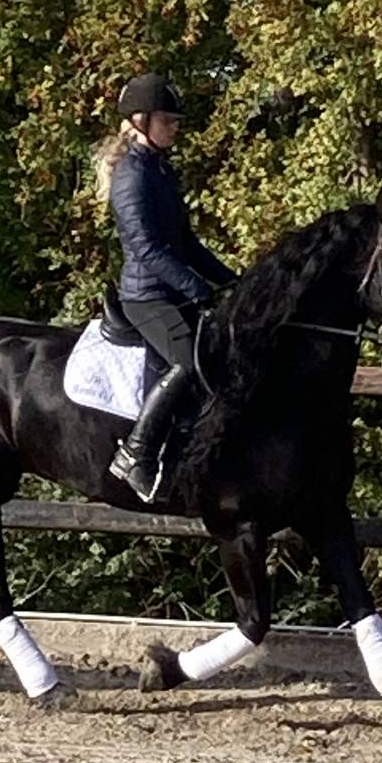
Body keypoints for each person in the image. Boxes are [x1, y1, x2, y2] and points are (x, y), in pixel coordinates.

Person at [97, 71, 237, 502]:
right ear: (141, 120)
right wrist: (196, 289)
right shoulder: (132, 177)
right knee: (193, 363)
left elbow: (187, 243)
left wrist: (234, 281)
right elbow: (147, 248)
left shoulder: (159, 170)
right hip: (146, 296)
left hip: (170, 290)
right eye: (167, 119)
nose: (175, 125)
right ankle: (135, 453)